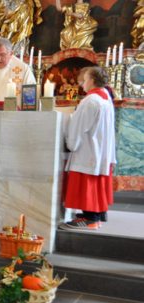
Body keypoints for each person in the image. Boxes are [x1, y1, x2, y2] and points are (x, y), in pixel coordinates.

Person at [60, 67, 116, 230]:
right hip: (100, 149)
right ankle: (97, 213)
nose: (82, 84)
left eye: (84, 80)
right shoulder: (105, 97)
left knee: (87, 182)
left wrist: (71, 144)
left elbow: (78, 127)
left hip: (89, 149)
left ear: (92, 80)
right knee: (95, 181)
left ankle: (90, 218)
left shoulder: (90, 101)